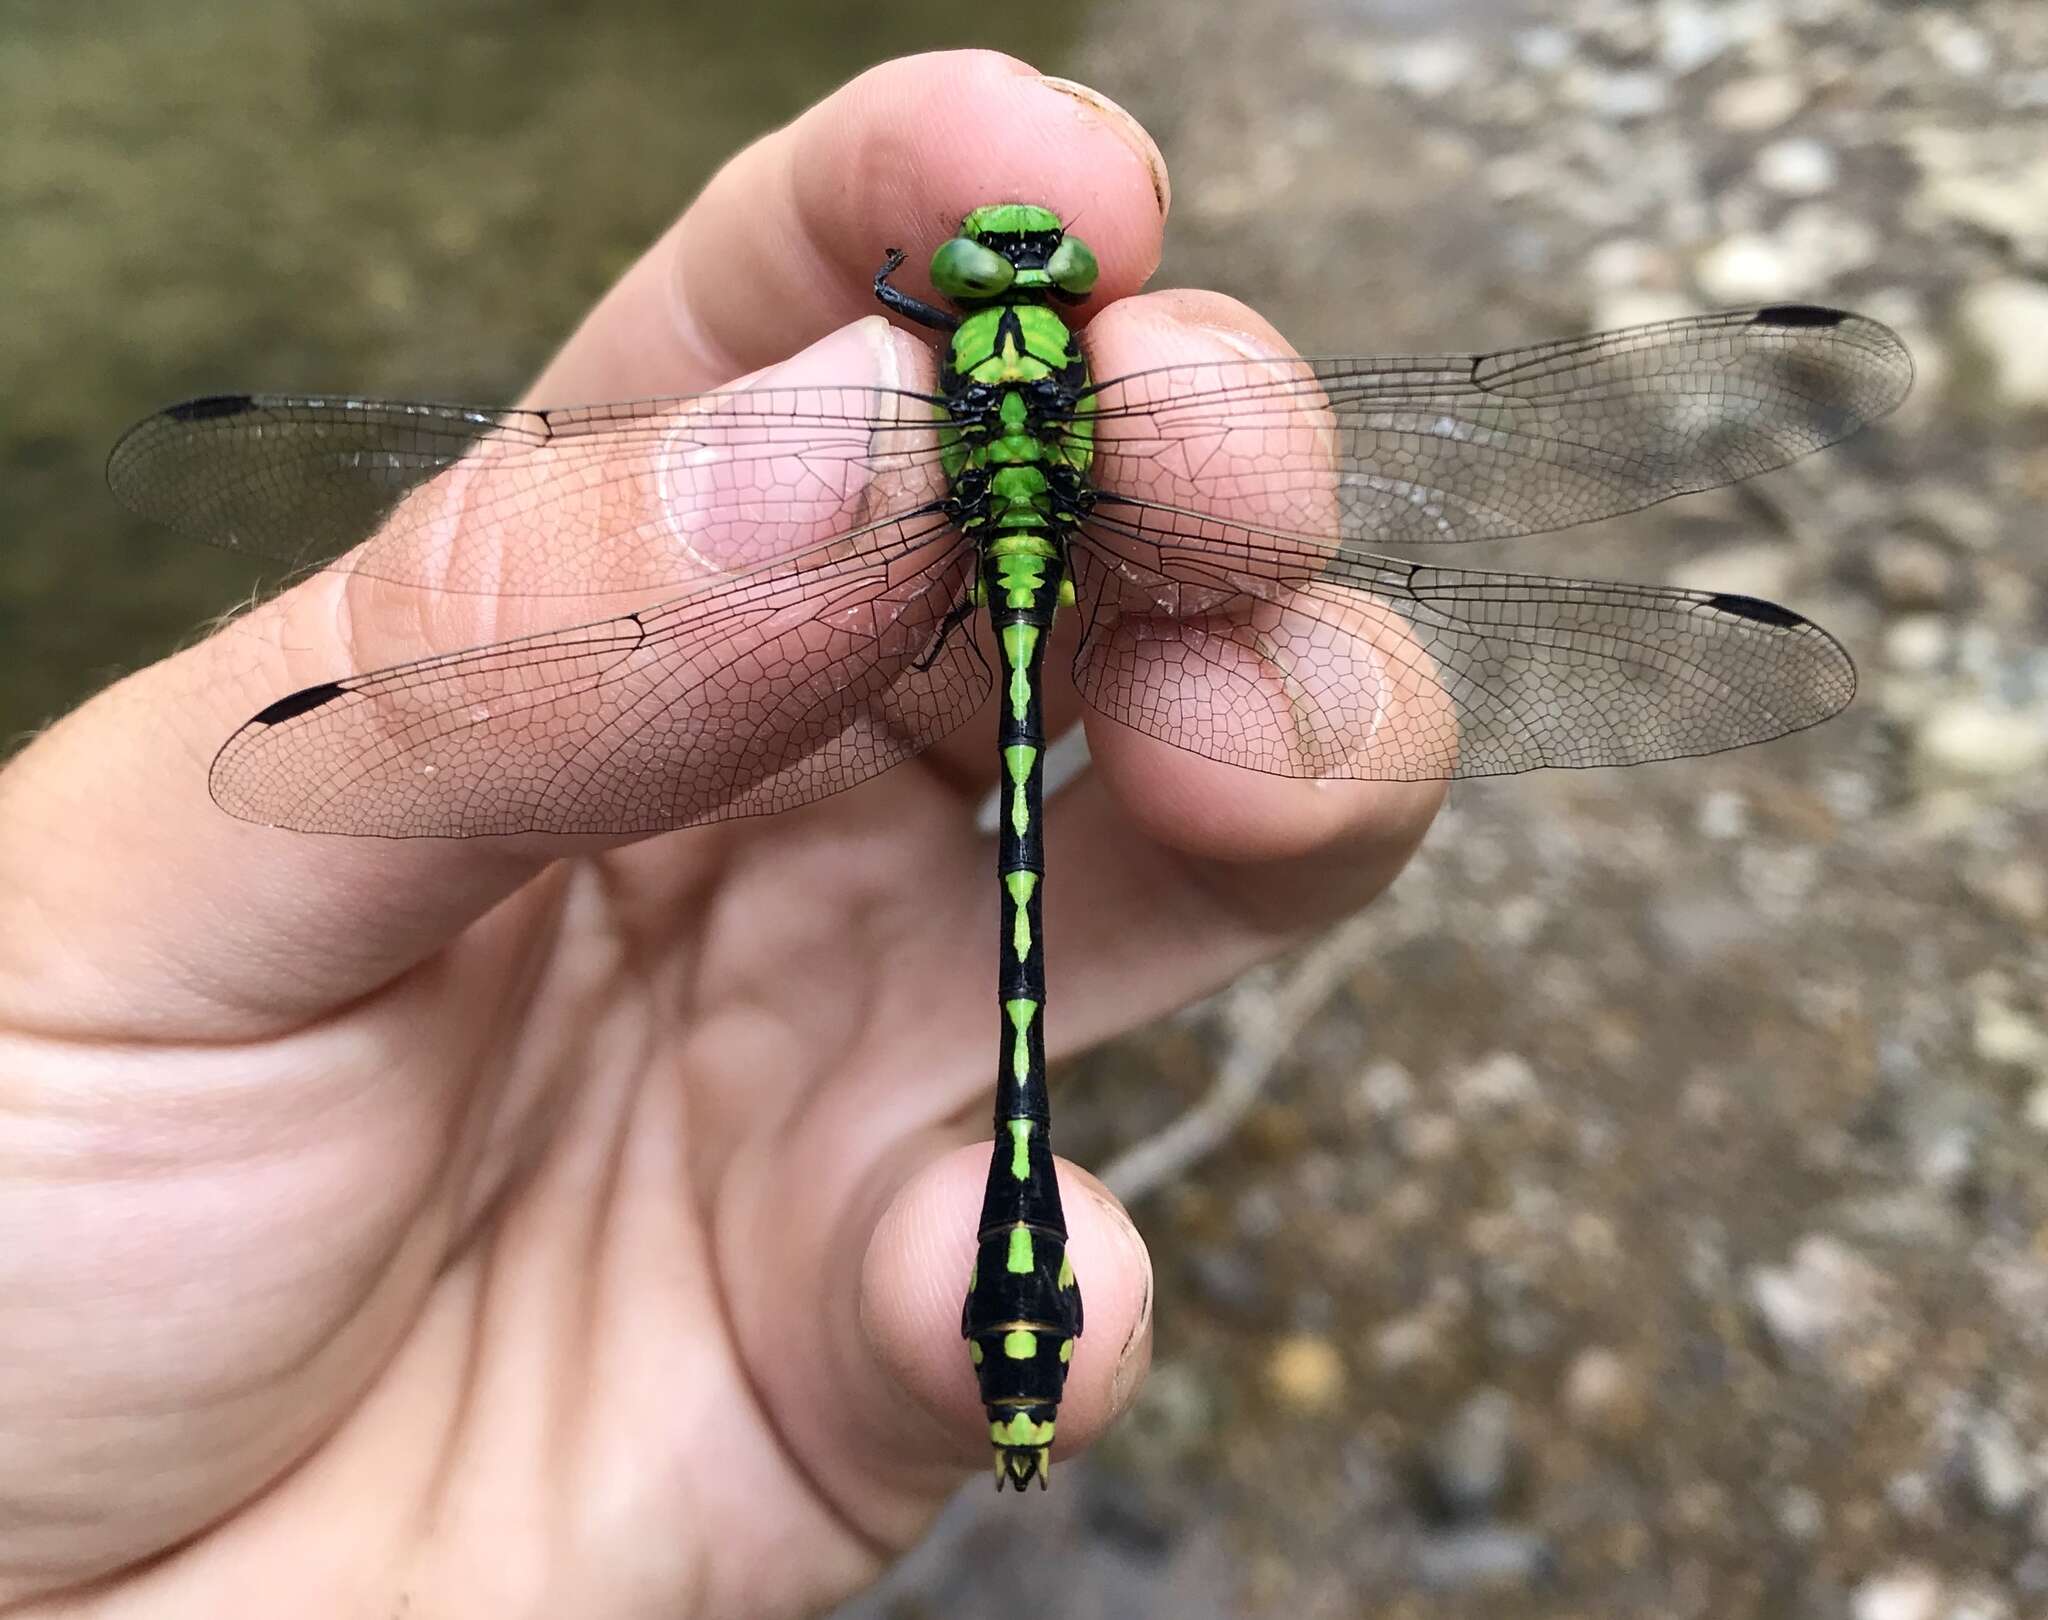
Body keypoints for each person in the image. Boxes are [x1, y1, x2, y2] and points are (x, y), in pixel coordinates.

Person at [0, 50, 1439, 1619]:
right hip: (1029, 612)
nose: (1016, 267)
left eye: (1021, 273)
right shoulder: (1072, 386)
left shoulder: (929, 350)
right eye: (996, 267)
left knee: (1283, 619)